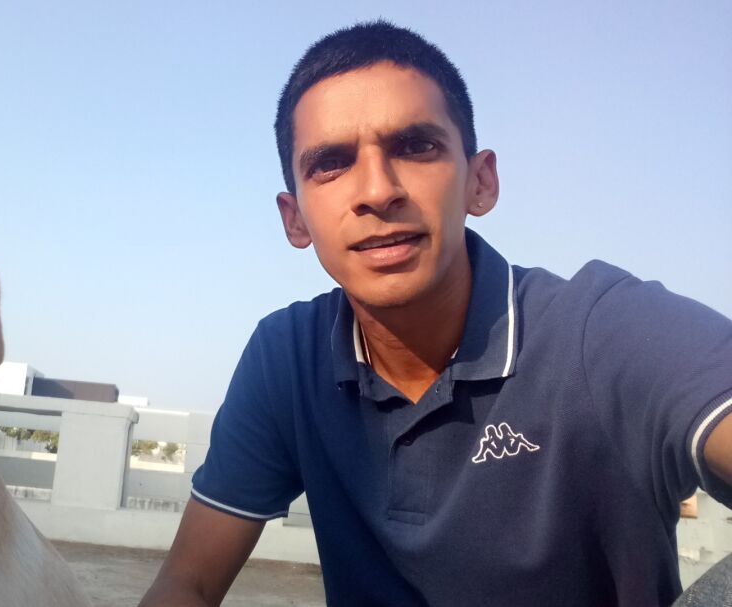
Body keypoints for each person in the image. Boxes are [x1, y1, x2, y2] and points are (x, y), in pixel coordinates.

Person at [139, 20, 732, 607]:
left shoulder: (601, 331)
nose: (377, 190)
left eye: (415, 146)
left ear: (481, 182)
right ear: (295, 220)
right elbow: (189, 584)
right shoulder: (289, 357)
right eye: (331, 163)